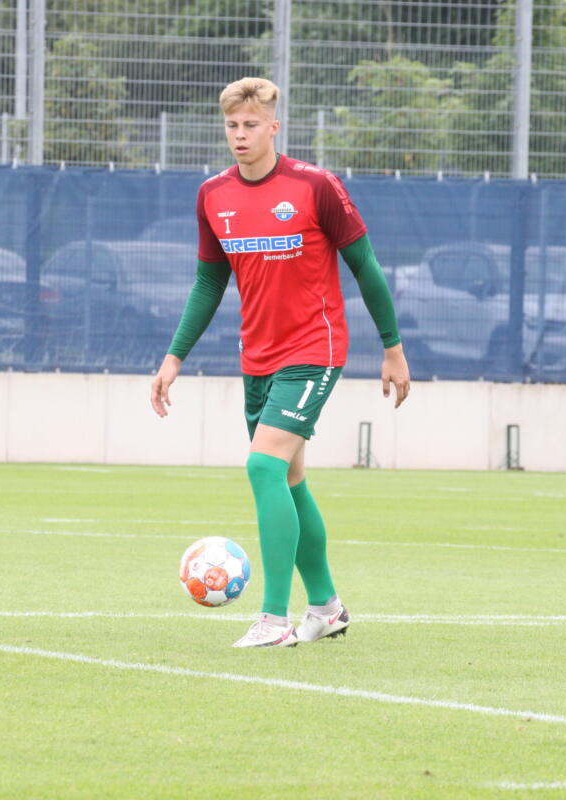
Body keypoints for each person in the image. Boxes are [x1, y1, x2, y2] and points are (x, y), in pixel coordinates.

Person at [150, 77, 410, 647]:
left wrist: (391, 347)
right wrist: (174, 358)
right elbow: (208, 282)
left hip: (315, 350)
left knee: (261, 467)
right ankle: (327, 606)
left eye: (250, 125)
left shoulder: (315, 186)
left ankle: (273, 619)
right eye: (231, 126)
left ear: (273, 127)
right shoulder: (213, 196)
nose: (239, 135)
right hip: (258, 358)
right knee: (289, 481)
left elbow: (365, 266)